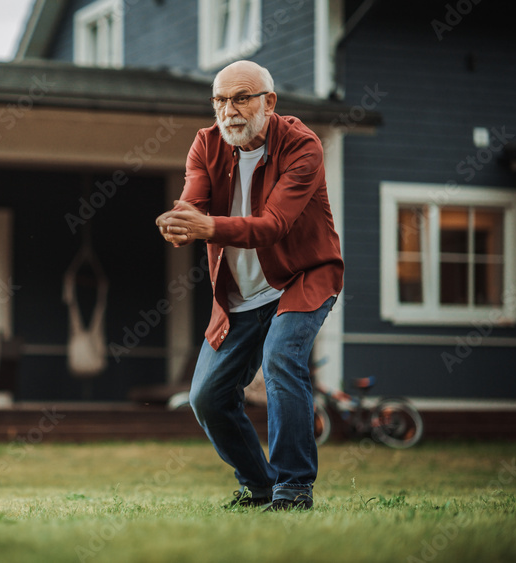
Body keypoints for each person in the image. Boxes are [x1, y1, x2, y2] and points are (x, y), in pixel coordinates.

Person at [155, 60, 343, 511]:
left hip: (303, 278)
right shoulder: (206, 143)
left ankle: (293, 488)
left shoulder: (302, 146)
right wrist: (177, 221)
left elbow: (272, 225)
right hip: (239, 295)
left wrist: (204, 226)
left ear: (269, 102)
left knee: (281, 359)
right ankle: (258, 485)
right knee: (206, 397)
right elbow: (192, 202)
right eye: (220, 100)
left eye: (241, 98)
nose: (229, 110)